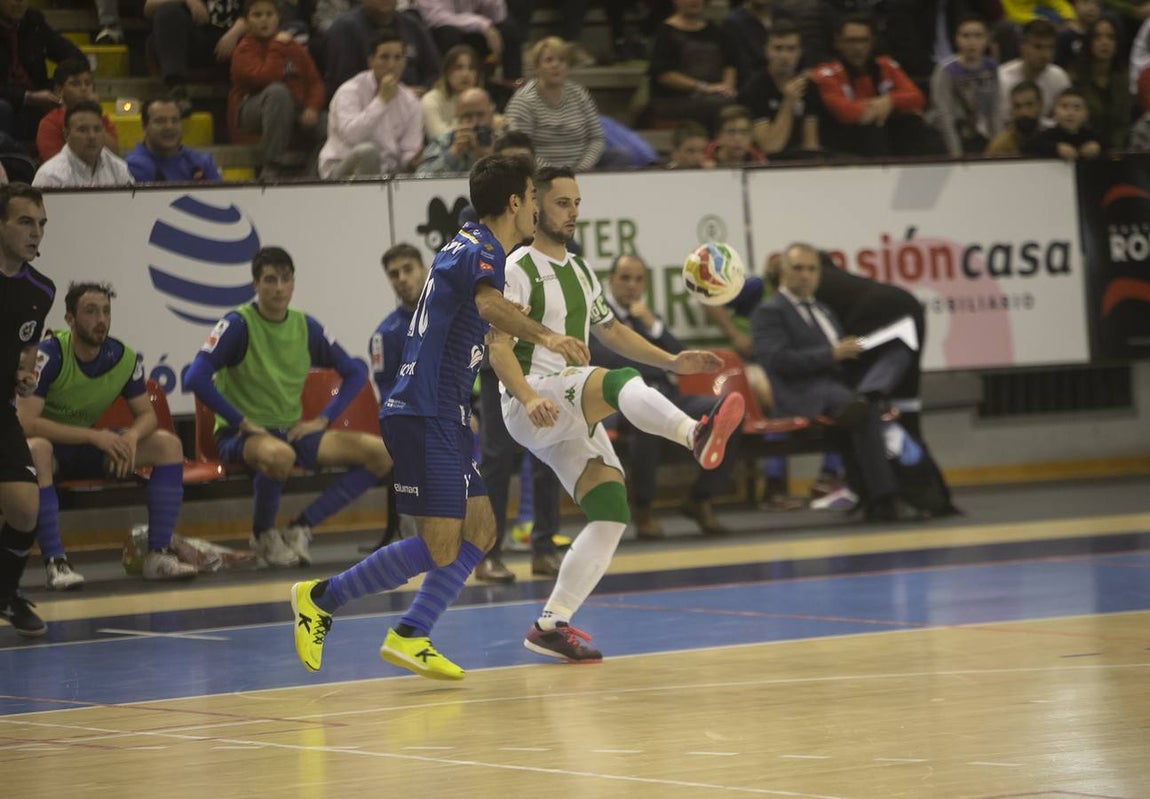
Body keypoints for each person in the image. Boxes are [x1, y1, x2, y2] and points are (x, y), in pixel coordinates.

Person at [289, 154, 591, 680]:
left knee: (482, 529)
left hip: (445, 414)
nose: (541, 207)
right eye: (534, 197)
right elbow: (490, 306)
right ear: (516, 202)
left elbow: (486, 328)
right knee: (440, 544)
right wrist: (547, 336)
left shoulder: (471, 247)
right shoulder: (481, 252)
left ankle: (411, 634)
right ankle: (319, 597)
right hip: (423, 412)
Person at [490, 166, 744, 663]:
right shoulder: (516, 266)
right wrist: (524, 397)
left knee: (611, 512)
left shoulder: (582, 271)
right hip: (533, 400)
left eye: (577, 203)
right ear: (536, 207)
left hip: (566, 408)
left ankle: (550, 623)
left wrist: (672, 361)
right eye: (563, 203)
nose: (573, 212)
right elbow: (497, 345)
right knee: (618, 381)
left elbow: (612, 333)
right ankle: (695, 435)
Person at [185, 246, 393, 569]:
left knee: (382, 454)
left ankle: (301, 527)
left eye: (285, 279)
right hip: (241, 436)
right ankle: (263, 535)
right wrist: (240, 422)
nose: (279, 288)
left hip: (292, 432)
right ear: (255, 285)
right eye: (270, 280)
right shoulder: (238, 325)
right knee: (280, 456)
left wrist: (323, 419)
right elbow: (194, 376)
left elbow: (356, 371)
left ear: (293, 284)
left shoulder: (305, 326)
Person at [16, 282, 198, 590]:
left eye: (106, 312)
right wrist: (94, 437)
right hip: (49, 453)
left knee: (168, 445)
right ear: (70, 319)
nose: (101, 319)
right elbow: (27, 423)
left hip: (89, 446)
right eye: (90, 311)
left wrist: (129, 438)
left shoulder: (122, 357)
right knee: (38, 450)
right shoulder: (50, 356)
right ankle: (55, 562)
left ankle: (158, 555)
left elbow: (147, 415)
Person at [751, 242, 910, 523]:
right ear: (783, 271)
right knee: (862, 409)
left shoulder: (823, 310)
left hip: (836, 387)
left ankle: (874, 493)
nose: (806, 275)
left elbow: (836, 356)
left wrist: (856, 351)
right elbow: (777, 361)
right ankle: (884, 496)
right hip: (800, 392)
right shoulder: (769, 311)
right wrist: (832, 353)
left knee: (888, 364)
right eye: (798, 268)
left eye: (812, 269)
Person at [592, 253, 743, 538]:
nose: (632, 286)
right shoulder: (599, 321)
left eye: (638, 279)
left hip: (668, 395)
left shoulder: (651, 320)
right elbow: (611, 361)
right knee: (644, 421)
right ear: (610, 281)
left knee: (724, 412)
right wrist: (658, 362)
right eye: (625, 278)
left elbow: (681, 358)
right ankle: (643, 508)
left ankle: (700, 499)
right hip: (619, 403)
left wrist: (654, 327)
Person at [0, 183, 53, 637]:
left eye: (40, 225)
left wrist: (25, 372)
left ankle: (5, 594)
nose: (35, 233)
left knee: (24, 508)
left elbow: (28, 344)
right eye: (24, 222)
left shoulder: (40, 289)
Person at [812, 14, 940, 157]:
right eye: (851, 41)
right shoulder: (827, 73)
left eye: (863, 40)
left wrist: (889, 101)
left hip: (884, 137)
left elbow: (917, 98)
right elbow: (845, 113)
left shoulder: (886, 65)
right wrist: (883, 105)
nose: (858, 47)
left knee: (912, 122)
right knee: (870, 128)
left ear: (872, 42)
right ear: (838, 42)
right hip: (844, 142)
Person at [229, 0, 325, 180]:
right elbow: (265, 78)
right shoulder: (244, 50)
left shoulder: (293, 47)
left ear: (278, 18)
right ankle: (272, 164)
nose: (264, 20)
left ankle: (311, 178)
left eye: (269, 15)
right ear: (247, 22)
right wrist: (277, 48)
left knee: (329, 124)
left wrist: (312, 107)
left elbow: (315, 82)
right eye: (257, 15)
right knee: (278, 92)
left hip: (294, 109)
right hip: (251, 110)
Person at [319, 30, 423, 179]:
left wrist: (415, 160)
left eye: (398, 58)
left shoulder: (410, 101)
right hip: (342, 169)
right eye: (384, 57)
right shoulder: (349, 91)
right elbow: (352, 136)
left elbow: (408, 150)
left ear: (404, 62)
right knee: (367, 152)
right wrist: (381, 100)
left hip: (388, 174)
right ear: (371, 61)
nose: (391, 65)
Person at [503, 37, 607, 171]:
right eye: (549, 60)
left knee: (622, 157)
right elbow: (520, 149)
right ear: (537, 66)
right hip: (540, 174)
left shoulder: (579, 94)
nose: (555, 65)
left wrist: (581, 169)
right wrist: (555, 174)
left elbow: (597, 137)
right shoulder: (524, 100)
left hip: (582, 171)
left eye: (562, 60)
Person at [646, 0, 738, 132]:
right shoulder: (666, 32)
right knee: (720, 105)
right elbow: (663, 74)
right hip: (675, 99)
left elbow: (730, 64)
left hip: (714, 94)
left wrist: (728, 87)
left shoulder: (715, 31)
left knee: (737, 99)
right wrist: (703, 87)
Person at [323, 0, 440, 102]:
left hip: (415, 103)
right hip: (364, 104)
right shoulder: (346, 28)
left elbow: (434, 72)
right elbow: (343, 81)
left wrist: (424, 91)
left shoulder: (413, 25)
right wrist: (399, 94)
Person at [0, 0, 84, 143]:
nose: (19, 4)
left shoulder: (33, 20)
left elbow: (70, 53)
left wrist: (62, 85)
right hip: (7, 97)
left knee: (75, 90)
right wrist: (28, 97)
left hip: (38, 92)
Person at [738, 19, 823, 158]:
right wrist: (788, 101)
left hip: (799, 164)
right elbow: (770, 148)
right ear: (766, 51)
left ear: (800, 52)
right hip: (764, 165)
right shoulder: (753, 90)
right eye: (778, 48)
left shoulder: (808, 86)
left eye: (791, 49)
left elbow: (810, 143)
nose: (784, 56)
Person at [145, 0, 245, 110]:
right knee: (167, 11)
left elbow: (262, 6)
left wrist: (235, 33)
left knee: (257, 25)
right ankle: (176, 89)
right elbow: (148, 8)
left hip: (235, 42)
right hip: (191, 42)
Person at [930, 15, 1001, 157]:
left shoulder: (991, 67)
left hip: (974, 132)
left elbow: (994, 110)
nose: (971, 42)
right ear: (956, 39)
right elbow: (944, 113)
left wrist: (997, 148)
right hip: (942, 134)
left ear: (987, 40)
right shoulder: (946, 69)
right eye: (965, 36)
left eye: (978, 36)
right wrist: (956, 153)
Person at [32, 100, 134, 188]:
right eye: (82, 130)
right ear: (67, 134)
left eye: (97, 129)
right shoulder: (50, 177)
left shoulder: (118, 169)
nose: (92, 136)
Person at [415, 0, 523, 82]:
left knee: (508, 28)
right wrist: (483, 25)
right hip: (438, 32)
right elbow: (437, 17)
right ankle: (452, 84)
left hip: (472, 28)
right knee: (448, 33)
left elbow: (498, 15)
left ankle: (513, 84)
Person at [36, 57, 118, 163]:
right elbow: (54, 164)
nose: (84, 89)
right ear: (59, 91)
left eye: (88, 83)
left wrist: (95, 112)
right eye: (75, 84)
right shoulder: (50, 123)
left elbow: (115, 155)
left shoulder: (101, 119)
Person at [125, 97, 223, 183]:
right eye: (160, 121)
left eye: (175, 120)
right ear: (144, 126)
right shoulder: (133, 168)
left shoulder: (202, 164)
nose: (169, 127)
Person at [1070, 17, 1132, 149]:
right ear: (1089, 42)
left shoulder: (1123, 78)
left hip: (1119, 153)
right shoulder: (1076, 79)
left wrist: (1116, 150)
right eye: (1098, 37)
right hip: (1084, 151)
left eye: (1111, 37)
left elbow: (1124, 122)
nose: (1104, 42)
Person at [998, 18, 1072, 121]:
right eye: (1038, 47)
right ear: (1022, 47)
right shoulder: (1002, 79)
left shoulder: (1059, 77)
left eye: (1050, 48)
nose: (1045, 55)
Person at [416, 86, 500, 175]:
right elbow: (421, 178)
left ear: (491, 114)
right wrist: (454, 152)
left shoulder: (503, 141)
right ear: (458, 117)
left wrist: (489, 159)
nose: (474, 122)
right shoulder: (443, 142)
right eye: (467, 116)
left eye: (480, 115)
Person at [1023, 85, 1104, 156]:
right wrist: (1055, 148)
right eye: (1064, 107)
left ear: (1086, 114)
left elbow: (1109, 147)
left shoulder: (1093, 136)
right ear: (1054, 112)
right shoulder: (1047, 136)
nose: (1070, 113)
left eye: (1077, 108)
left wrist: (1097, 147)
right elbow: (1029, 146)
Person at [421, 44, 482, 139]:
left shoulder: (481, 100)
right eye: (459, 68)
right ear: (447, 71)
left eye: (471, 68)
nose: (466, 74)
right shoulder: (430, 100)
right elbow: (439, 137)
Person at [986, 79, 1045, 154]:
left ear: (1040, 105)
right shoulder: (999, 146)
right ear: (1011, 110)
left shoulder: (1052, 141)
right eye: (1017, 106)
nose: (1024, 112)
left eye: (1029, 104)